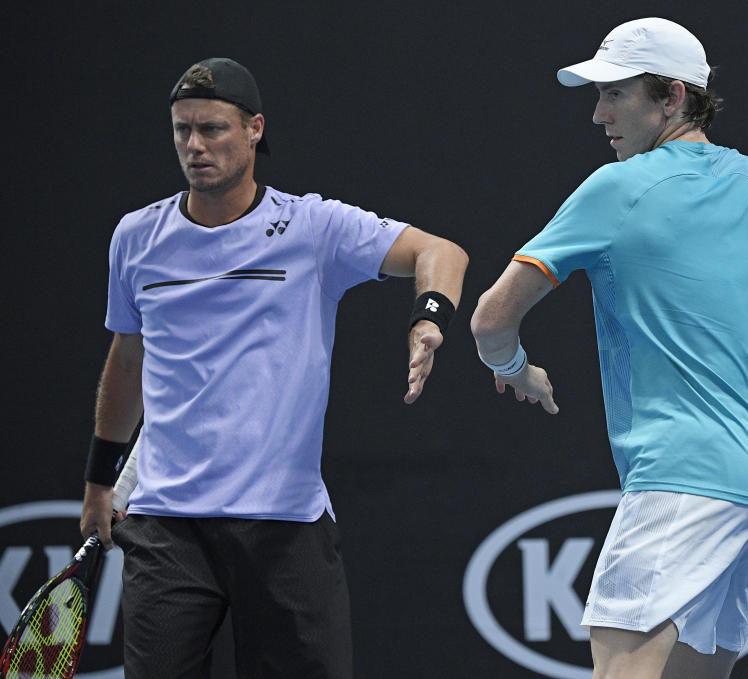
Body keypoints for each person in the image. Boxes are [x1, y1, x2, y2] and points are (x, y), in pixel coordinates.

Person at [470, 18, 748, 679]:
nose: (597, 114)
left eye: (616, 94)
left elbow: (490, 319)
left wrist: (515, 368)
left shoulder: (614, 188)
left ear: (672, 96)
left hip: (680, 484)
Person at [78, 57, 468, 679]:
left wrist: (429, 318)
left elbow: (440, 252)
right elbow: (127, 359)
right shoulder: (135, 238)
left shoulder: (314, 228)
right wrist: (100, 483)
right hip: (166, 530)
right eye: (182, 131)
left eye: (213, 129)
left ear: (255, 129)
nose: (195, 146)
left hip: (286, 528)